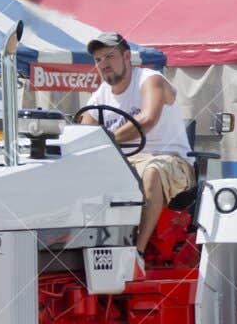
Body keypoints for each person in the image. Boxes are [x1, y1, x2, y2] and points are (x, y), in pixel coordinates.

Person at [77, 32, 195, 256]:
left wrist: (107, 139)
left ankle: (135, 253)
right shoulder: (99, 96)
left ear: (127, 56)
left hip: (170, 160)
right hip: (125, 163)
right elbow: (84, 135)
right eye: (98, 60)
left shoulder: (150, 80)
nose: (103, 64)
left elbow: (148, 119)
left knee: (152, 172)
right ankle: (90, 248)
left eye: (109, 56)